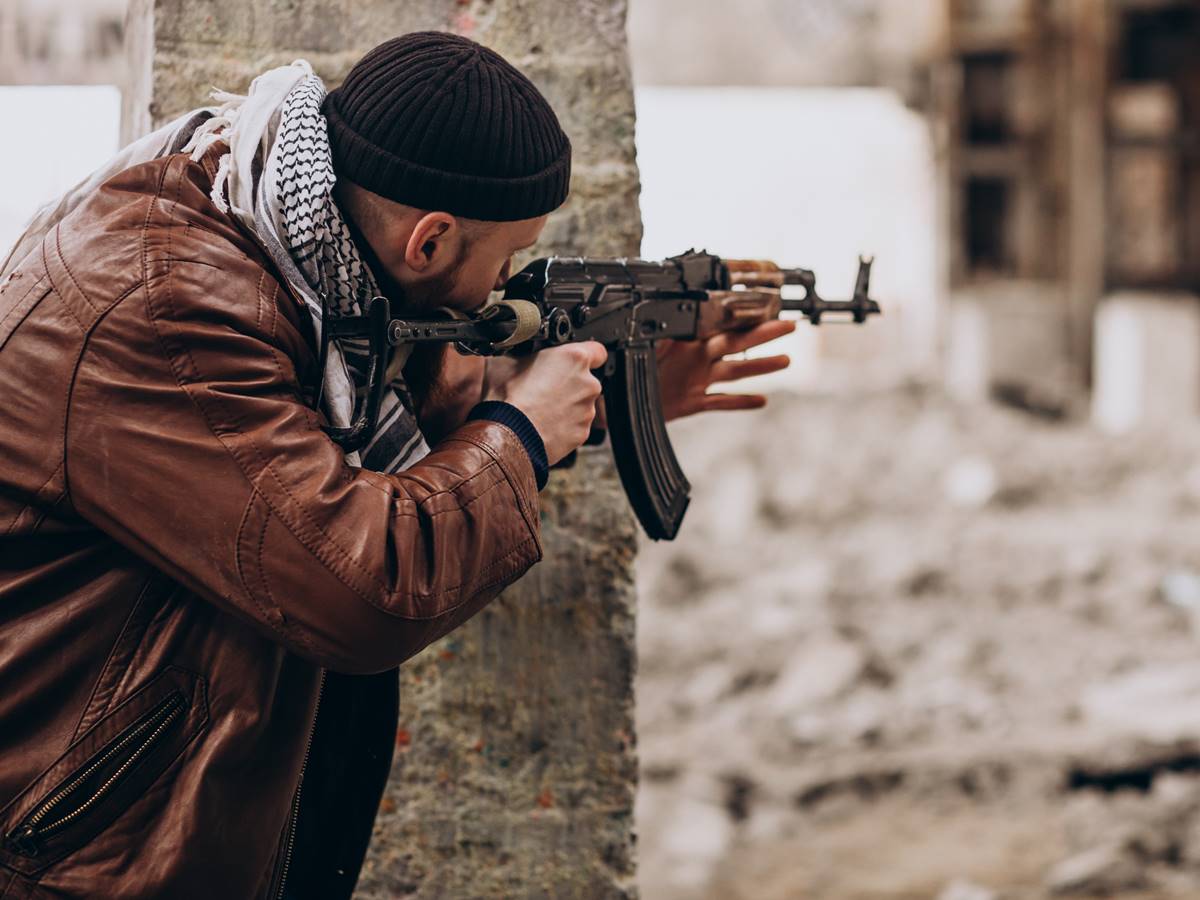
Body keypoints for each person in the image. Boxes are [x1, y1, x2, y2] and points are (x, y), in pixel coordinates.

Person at [0, 32, 793, 899]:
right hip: (73, 847)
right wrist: (522, 434)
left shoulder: (289, 248)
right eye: (508, 259)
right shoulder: (166, 314)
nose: (506, 288)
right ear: (429, 241)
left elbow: (345, 434)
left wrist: (602, 403)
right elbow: (357, 585)